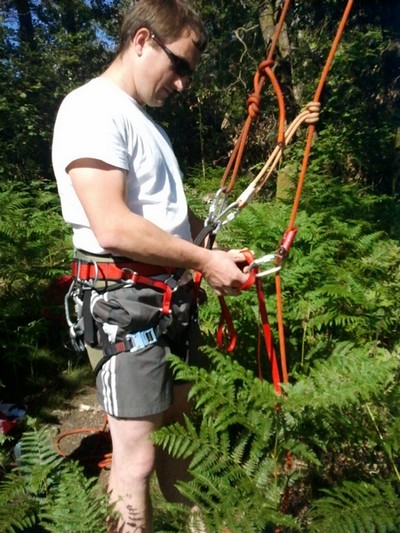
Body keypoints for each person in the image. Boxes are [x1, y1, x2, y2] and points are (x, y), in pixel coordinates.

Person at [52, 1, 249, 531]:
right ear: (142, 40)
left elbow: (160, 217)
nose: (182, 83)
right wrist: (203, 259)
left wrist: (210, 248)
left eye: (189, 72)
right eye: (178, 65)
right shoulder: (91, 108)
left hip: (168, 304)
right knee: (136, 459)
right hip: (126, 308)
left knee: (182, 439)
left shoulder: (141, 121)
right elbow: (113, 225)